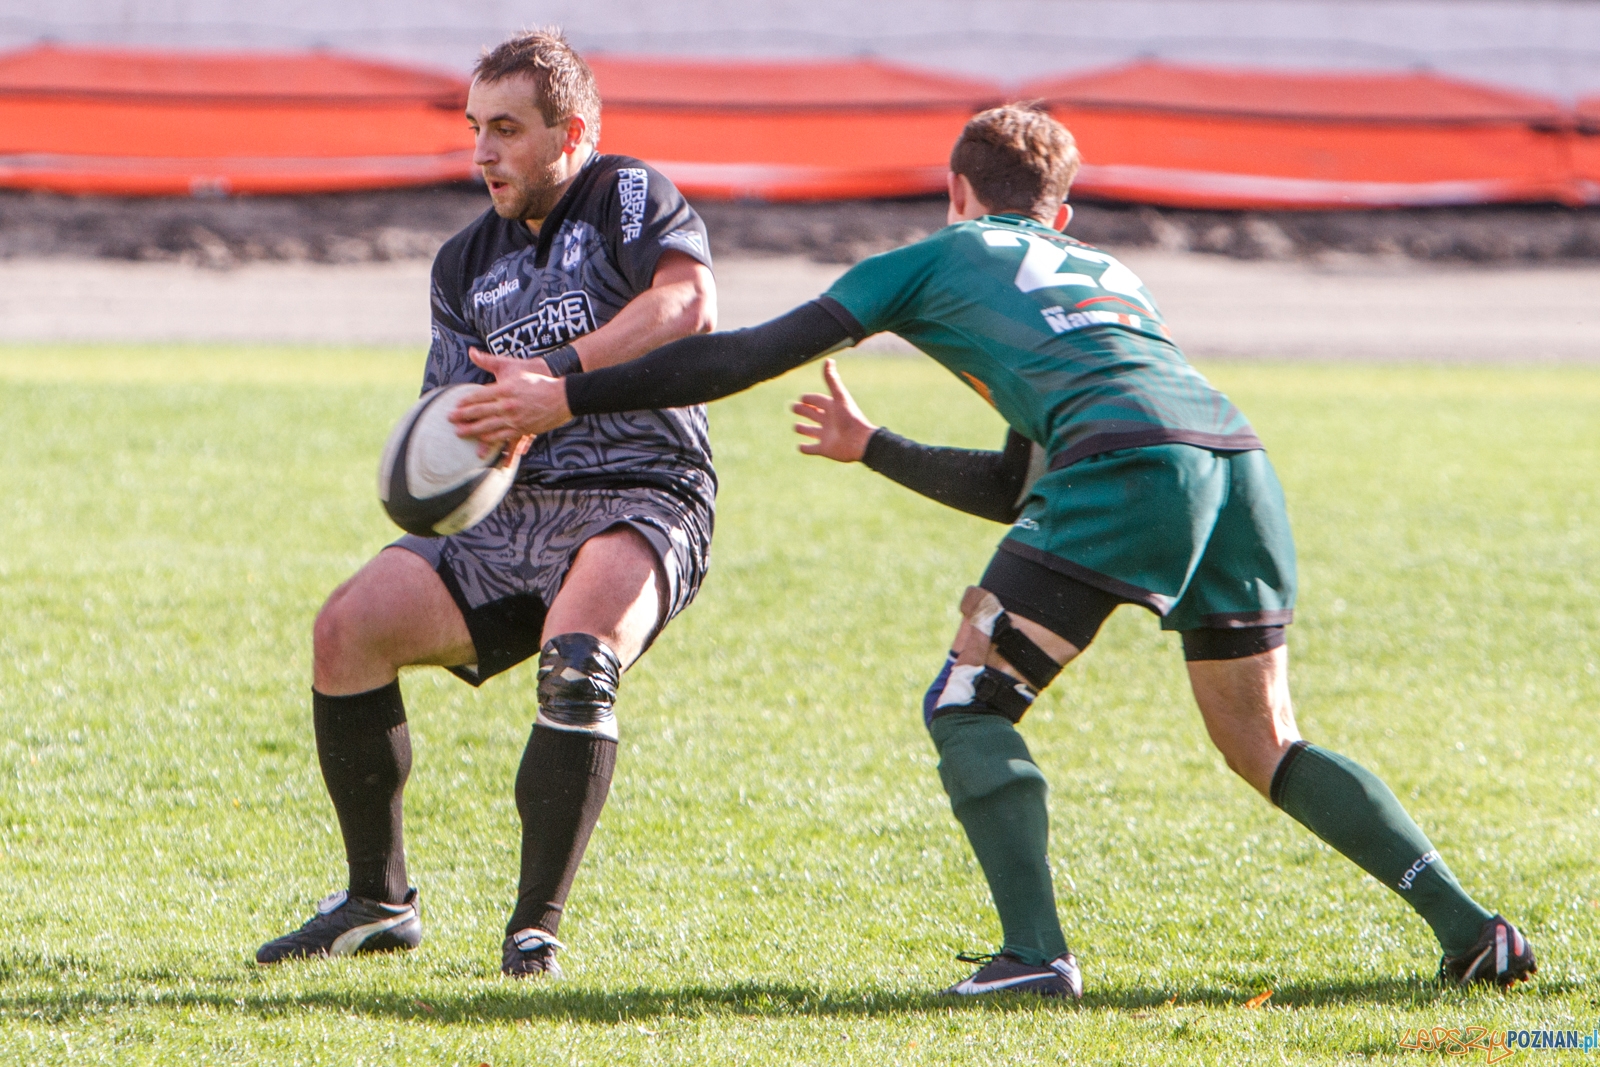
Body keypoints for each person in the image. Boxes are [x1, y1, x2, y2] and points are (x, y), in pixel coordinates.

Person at [477, 104, 1537, 997]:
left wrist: (563, 391)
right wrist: (874, 447)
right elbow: (1014, 482)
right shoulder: (1109, 272)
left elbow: (746, 353)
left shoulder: (933, 257)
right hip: (1233, 461)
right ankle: (1469, 929)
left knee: (966, 702)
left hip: (1125, 462)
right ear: (1059, 211)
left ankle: (1035, 953)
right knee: (1265, 741)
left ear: (955, 191)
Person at [256, 29, 719, 979]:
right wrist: (467, 435)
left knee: (580, 662)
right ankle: (377, 901)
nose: (483, 152)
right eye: (476, 128)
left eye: (507, 129)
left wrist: (555, 377)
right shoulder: (463, 262)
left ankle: (533, 931)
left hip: (643, 489)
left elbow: (688, 306)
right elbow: (453, 411)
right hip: (516, 509)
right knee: (346, 630)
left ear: (571, 130)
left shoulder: (628, 195)